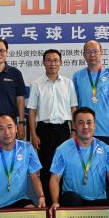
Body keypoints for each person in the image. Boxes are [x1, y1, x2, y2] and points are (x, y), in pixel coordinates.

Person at [48, 107, 109, 218]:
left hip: (98, 200)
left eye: (89, 122)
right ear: (74, 126)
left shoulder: (105, 149)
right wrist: (55, 202)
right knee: (71, 198)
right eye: (80, 123)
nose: (85, 126)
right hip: (73, 201)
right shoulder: (62, 149)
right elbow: (55, 179)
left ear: (95, 125)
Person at [27, 48, 77, 205]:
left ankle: (62, 204)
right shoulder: (37, 84)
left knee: (65, 167)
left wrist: (74, 130)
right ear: (43, 63)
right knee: (47, 168)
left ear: (60, 63)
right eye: (49, 60)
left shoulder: (68, 83)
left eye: (55, 60)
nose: (52, 63)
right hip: (44, 130)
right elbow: (32, 111)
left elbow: (73, 108)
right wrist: (33, 134)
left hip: (64, 130)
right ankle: (48, 204)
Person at [0, 114, 45, 210]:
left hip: (19, 200)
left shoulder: (27, 149)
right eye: (1, 129)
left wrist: (41, 196)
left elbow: (34, 177)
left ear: (16, 128)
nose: (7, 132)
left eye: (10, 127)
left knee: (34, 214)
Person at [72, 40, 109, 146]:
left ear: (101, 52)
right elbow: (74, 105)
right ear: (84, 54)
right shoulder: (77, 76)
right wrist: (74, 129)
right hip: (83, 129)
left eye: (95, 51)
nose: (92, 55)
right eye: (88, 52)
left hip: (105, 129)